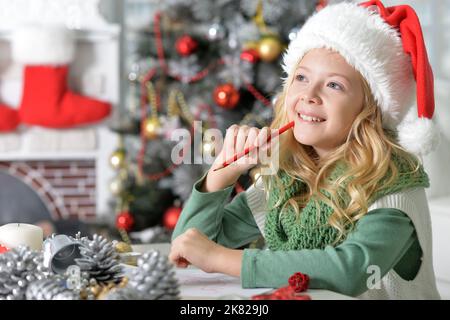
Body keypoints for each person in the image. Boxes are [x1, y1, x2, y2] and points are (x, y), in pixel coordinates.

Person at [169, 0, 441, 299]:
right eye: (301, 78)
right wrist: (222, 173)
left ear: (370, 110)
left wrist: (221, 259)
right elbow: (191, 246)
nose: (309, 95)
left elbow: (350, 271)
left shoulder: (392, 183)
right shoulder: (286, 181)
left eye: (334, 85)